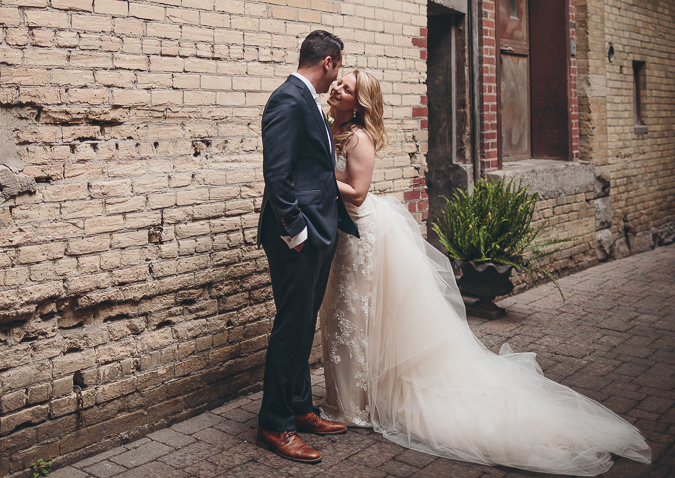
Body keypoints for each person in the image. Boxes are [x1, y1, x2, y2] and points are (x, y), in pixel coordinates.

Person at [319, 69, 652, 476]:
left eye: (347, 88)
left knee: (355, 316)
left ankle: (354, 407)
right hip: (342, 233)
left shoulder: (358, 138)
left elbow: (357, 191)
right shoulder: (332, 125)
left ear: (360, 102)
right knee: (344, 316)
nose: (337, 88)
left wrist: (318, 180)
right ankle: (347, 398)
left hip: (361, 235)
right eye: (339, 83)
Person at [255, 30, 359, 464]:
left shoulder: (308, 102)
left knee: (302, 325)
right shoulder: (287, 100)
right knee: (291, 326)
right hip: (296, 239)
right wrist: (297, 234)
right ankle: (275, 423)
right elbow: (277, 176)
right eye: (337, 69)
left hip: (318, 234)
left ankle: (300, 408)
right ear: (330, 61)